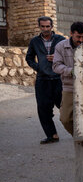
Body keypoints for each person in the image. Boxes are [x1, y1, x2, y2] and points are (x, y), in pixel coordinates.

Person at [25, 16, 65, 144]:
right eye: (43, 26)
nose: (45, 29)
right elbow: (29, 58)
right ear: (39, 27)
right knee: (43, 109)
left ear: (52, 27)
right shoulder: (35, 41)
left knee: (65, 108)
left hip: (59, 79)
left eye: (48, 26)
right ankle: (52, 135)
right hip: (42, 80)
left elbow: (70, 55)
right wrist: (39, 67)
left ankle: (79, 132)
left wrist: (57, 57)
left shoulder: (61, 40)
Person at [52, 21, 83, 135]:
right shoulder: (61, 46)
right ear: (71, 33)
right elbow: (56, 66)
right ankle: (79, 137)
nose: (81, 40)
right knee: (65, 119)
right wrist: (71, 71)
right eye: (78, 37)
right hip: (70, 87)